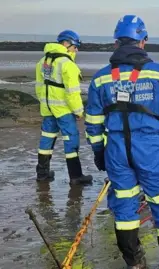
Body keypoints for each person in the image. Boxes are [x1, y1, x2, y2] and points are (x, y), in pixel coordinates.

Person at [84, 15, 159, 269]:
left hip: (116, 150)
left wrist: (99, 152)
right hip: (149, 148)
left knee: (124, 205)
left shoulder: (100, 78)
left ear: (116, 43)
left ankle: (135, 263)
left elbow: (92, 122)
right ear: (143, 41)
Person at [35, 30, 92, 185]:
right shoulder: (68, 65)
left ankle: (42, 174)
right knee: (71, 140)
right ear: (66, 44)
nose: (77, 50)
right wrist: (79, 111)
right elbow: (72, 93)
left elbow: (39, 88)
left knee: (46, 139)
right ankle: (76, 176)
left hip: (47, 109)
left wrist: (45, 104)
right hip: (64, 111)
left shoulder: (42, 62)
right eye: (75, 46)